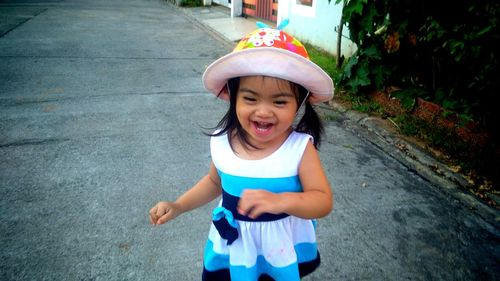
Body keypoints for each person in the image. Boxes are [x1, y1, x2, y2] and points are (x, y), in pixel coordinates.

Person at [149, 25, 334, 281]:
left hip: (278, 251)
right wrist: (179, 205)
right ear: (233, 97)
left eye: (280, 101)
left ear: (299, 103)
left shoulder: (299, 149)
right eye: (250, 99)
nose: (264, 111)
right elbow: (214, 182)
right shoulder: (223, 142)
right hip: (234, 247)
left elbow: (322, 200)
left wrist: (281, 201)